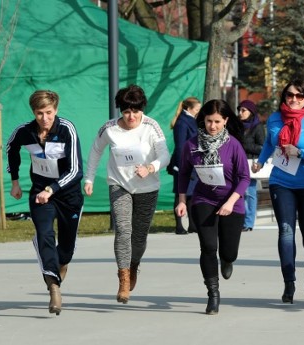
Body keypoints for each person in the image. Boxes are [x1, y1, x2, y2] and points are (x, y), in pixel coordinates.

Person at [83, 84, 170, 304]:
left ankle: (133, 265)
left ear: (142, 109)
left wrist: (150, 168)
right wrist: (89, 178)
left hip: (147, 187)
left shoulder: (152, 127)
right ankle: (123, 278)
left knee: (139, 236)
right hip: (119, 184)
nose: (131, 116)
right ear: (120, 110)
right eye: (126, 111)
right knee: (123, 229)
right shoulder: (109, 129)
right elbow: (95, 151)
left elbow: (165, 155)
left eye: (135, 111)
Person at [6, 90, 84, 315]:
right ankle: (53, 287)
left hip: (68, 195)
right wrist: (15, 182)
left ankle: (59, 267)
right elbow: (11, 148)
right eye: (40, 113)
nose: (44, 118)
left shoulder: (66, 129)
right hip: (40, 192)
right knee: (45, 235)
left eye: (49, 112)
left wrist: (53, 188)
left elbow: (75, 170)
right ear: (34, 112)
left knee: (66, 251)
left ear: (55, 110)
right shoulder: (25, 131)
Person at [252, 79, 304, 304]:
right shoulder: (275, 118)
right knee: (285, 230)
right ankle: (289, 282)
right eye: (290, 95)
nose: (294, 100)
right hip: (281, 181)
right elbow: (269, 143)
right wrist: (261, 161)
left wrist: (301, 152)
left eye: (299, 96)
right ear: (284, 97)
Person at [175, 99, 249, 315]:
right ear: (203, 120)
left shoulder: (233, 145)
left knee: (229, 252)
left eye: (217, 121)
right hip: (203, 200)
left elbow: (244, 178)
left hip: (232, 201)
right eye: (209, 121)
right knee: (208, 247)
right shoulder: (192, 145)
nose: (213, 126)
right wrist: (182, 201)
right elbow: (183, 175)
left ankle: (227, 260)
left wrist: (230, 202)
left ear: (225, 121)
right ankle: (213, 294)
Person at [168, 97, 201, 235]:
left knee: (191, 194)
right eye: (196, 109)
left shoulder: (192, 121)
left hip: (193, 162)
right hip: (183, 163)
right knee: (180, 193)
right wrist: (184, 164)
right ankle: (179, 226)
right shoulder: (182, 123)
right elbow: (181, 146)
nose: (198, 111)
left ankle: (192, 225)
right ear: (189, 109)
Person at [238, 99, 265, 232]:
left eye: (243, 110)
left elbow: (263, 148)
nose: (240, 113)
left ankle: (248, 222)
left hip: (250, 164)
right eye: (239, 110)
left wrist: (245, 145)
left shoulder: (257, 127)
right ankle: (240, 220)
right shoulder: (237, 126)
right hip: (237, 163)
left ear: (251, 112)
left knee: (249, 192)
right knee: (238, 193)